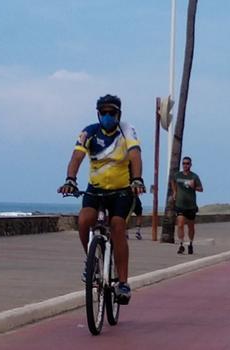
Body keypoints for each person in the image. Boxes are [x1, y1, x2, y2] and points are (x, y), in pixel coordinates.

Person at [58, 94, 144, 305]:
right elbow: (76, 157)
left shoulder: (127, 130)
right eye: (103, 112)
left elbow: (134, 155)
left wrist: (137, 179)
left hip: (122, 190)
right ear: (98, 114)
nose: (107, 116)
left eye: (111, 112)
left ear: (118, 114)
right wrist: (70, 179)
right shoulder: (89, 132)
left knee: (117, 225)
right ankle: (92, 261)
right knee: (84, 219)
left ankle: (123, 282)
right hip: (95, 190)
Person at [172, 156, 203, 254]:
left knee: (191, 227)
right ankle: (181, 244)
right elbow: (173, 181)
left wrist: (194, 187)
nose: (185, 165)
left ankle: (190, 243)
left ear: (190, 165)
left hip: (191, 206)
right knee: (180, 225)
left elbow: (201, 189)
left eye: (187, 163)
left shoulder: (194, 176)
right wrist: (174, 192)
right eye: (184, 163)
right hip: (180, 204)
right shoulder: (177, 175)